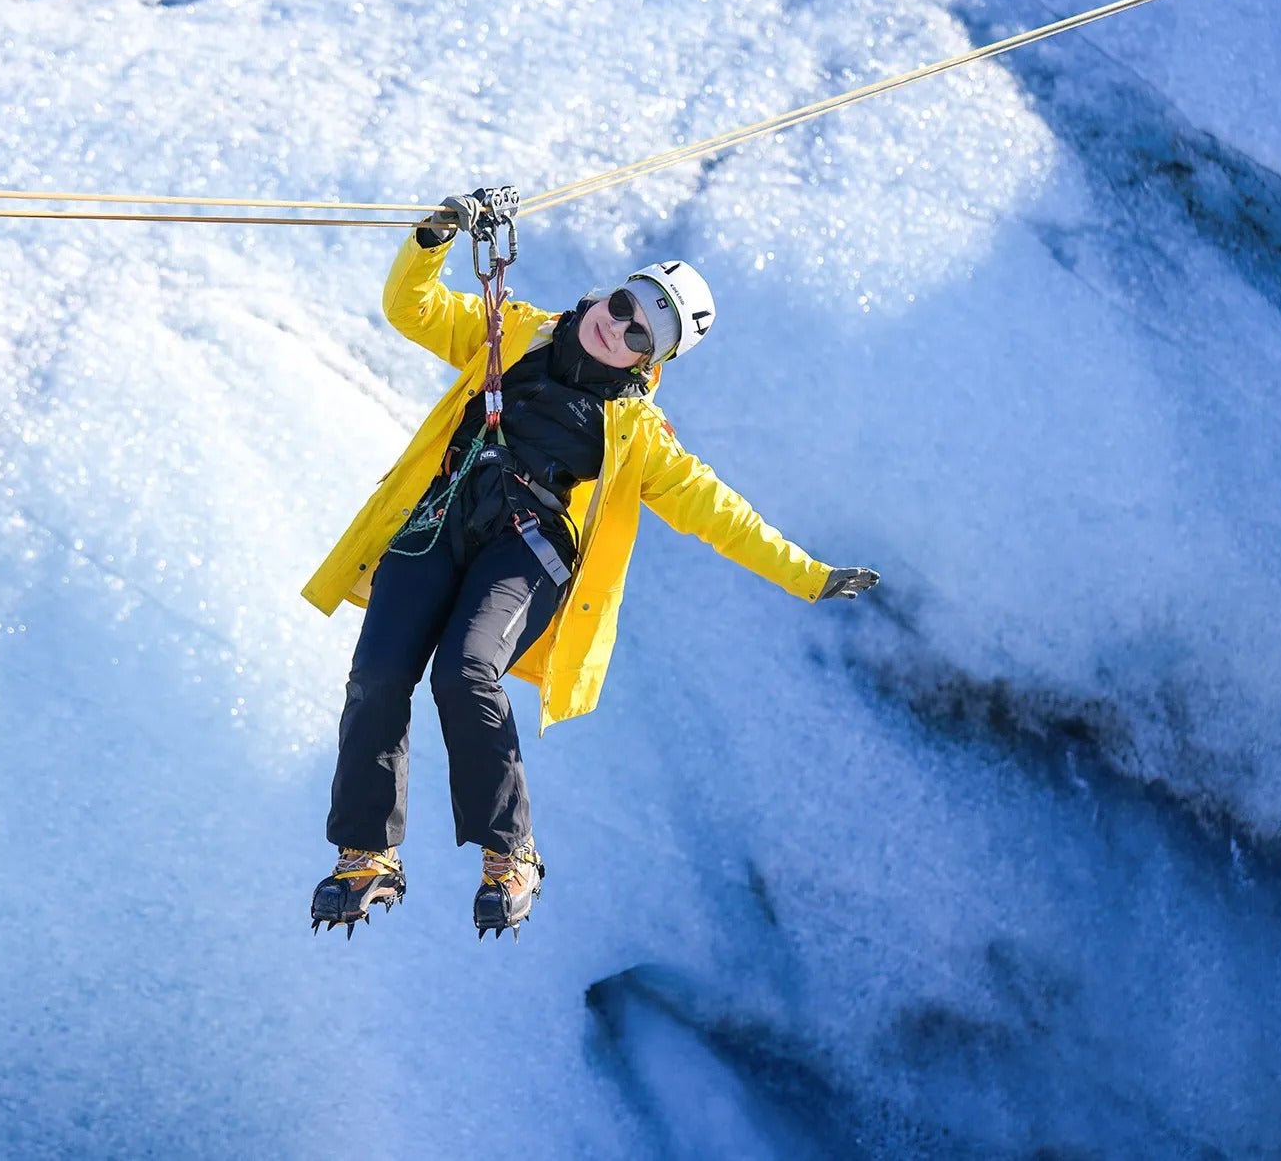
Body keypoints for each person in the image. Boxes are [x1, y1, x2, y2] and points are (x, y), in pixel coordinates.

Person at [302, 190, 879, 941]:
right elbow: (411, 307)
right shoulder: (511, 331)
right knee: (377, 673)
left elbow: (721, 515)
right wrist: (432, 238)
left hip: (525, 552)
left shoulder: (639, 434)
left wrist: (808, 575)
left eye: (643, 333)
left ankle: (511, 852)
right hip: (438, 523)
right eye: (625, 302)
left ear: (652, 360)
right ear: (609, 291)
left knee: (465, 671)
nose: (621, 325)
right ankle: (366, 851)